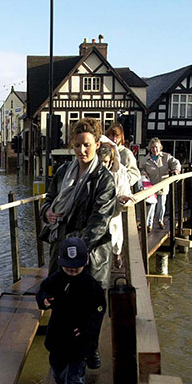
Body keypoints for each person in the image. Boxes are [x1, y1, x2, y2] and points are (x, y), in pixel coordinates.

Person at [36, 237, 106, 384]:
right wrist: (44, 301)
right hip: (58, 333)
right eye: (68, 267)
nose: (72, 271)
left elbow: (98, 313)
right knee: (57, 366)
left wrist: (86, 330)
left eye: (76, 267)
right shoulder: (56, 279)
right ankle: (61, 383)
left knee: (76, 375)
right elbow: (42, 291)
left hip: (79, 339)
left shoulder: (93, 287)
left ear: (86, 262)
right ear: (61, 262)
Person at [41, 117, 116, 289]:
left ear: (97, 145)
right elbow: (49, 198)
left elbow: (100, 220)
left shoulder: (104, 180)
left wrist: (79, 251)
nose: (81, 150)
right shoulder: (63, 171)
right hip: (61, 245)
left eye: (87, 145)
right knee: (58, 301)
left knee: (86, 307)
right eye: (77, 145)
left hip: (90, 252)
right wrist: (47, 212)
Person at [98, 136, 134, 268]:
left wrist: (122, 200)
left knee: (115, 239)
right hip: (96, 217)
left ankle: (117, 254)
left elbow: (124, 192)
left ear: (111, 161)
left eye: (105, 162)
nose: (103, 165)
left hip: (113, 214)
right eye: (100, 161)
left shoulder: (120, 173)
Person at [140, 138, 181, 230]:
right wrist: (143, 173)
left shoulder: (166, 157)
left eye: (156, 147)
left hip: (163, 184)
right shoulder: (146, 160)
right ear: (150, 148)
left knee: (161, 205)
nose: (155, 149)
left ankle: (160, 220)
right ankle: (149, 225)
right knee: (151, 206)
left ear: (160, 148)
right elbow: (141, 168)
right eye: (153, 147)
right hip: (151, 186)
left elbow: (176, 163)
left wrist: (176, 170)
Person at [105, 123, 141, 190]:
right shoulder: (103, 151)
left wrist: (121, 180)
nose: (114, 139)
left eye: (117, 136)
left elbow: (135, 174)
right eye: (112, 136)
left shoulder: (126, 153)